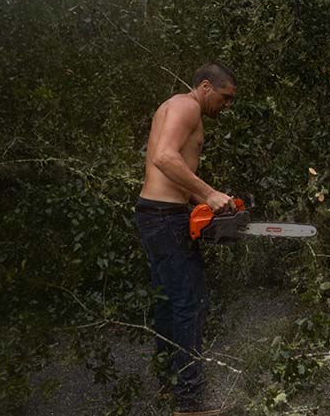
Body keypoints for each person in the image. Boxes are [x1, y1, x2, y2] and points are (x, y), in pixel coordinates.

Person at [134, 61, 237, 415]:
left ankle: (167, 384)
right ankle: (190, 403)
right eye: (225, 98)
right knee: (189, 304)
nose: (227, 106)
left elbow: (168, 169)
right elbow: (164, 158)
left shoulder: (171, 105)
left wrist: (209, 202)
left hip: (155, 213)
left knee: (167, 303)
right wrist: (208, 194)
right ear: (205, 86)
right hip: (164, 218)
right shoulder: (188, 105)